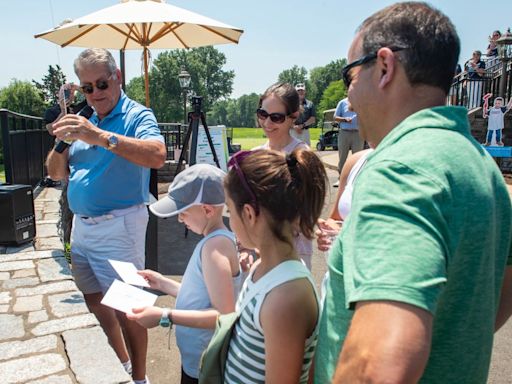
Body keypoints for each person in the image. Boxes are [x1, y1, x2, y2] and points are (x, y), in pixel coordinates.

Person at [314, 3, 512, 383]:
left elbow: (378, 366)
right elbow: (498, 292)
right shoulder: (481, 164)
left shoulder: (400, 168)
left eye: (349, 76)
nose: (349, 96)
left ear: (385, 67)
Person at [46, 48, 167, 384]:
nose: (96, 93)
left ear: (117, 78)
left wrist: (96, 136)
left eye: (101, 83)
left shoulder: (136, 115)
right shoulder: (87, 119)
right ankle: (124, 363)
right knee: (95, 300)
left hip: (119, 227)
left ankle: (141, 379)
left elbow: (157, 155)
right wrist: (63, 141)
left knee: (130, 310)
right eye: (87, 87)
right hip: (82, 229)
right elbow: (55, 173)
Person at [127, 164, 242, 384]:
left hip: (204, 365)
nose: (180, 219)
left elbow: (223, 315)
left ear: (207, 210)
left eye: (183, 212)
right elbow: (200, 297)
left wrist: (164, 316)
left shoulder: (214, 248)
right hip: (196, 360)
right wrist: (162, 283)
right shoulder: (214, 242)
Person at [223, 148, 327, 383]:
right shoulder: (264, 268)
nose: (229, 220)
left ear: (249, 214)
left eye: (230, 211)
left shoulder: (285, 298)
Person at [253, 82, 313, 269]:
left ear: (293, 117)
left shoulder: (302, 155)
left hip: (293, 250)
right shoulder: (255, 154)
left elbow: (307, 211)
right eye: (263, 114)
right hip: (258, 248)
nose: (267, 123)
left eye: (276, 117)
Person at [333, 97, 363, 187]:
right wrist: (345, 119)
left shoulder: (361, 100)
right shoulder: (342, 102)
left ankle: (356, 179)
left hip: (358, 133)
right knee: (342, 157)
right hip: (344, 132)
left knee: (358, 158)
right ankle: (341, 179)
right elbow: (335, 117)